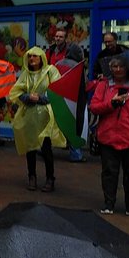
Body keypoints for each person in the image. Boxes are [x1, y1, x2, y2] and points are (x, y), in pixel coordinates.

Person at [88, 56, 129, 216]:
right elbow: (94, 107)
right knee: (109, 173)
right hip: (108, 138)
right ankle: (109, 203)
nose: (118, 70)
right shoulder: (104, 85)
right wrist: (112, 103)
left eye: (121, 66)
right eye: (114, 66)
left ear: (127, 68)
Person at [8, 47, 64, 192]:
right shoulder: (26, 74)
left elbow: (58, 91)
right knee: (30, 148)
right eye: (30, 56)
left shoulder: (50, 71)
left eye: (35, 56)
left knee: (46, 148)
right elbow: (16, 91)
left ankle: (50, 178)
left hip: (45, 115)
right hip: (30, 116)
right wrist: (27, 97)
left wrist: (40, 98)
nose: (32, 59)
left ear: (41, 58)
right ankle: (31, 177)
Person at [46, 26, 86, 162]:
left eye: (60, 36)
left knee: (53, 121)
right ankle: (76, 153)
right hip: (66, 95)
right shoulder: (52, 51)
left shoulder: (63, 61)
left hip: (58, 92)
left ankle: (45, 148)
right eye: (56, 36)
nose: (58, 38)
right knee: (72, 123)